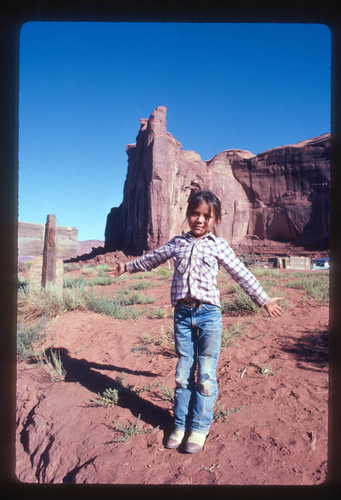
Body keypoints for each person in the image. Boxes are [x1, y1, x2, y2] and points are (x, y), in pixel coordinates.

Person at [107, 190, 283, 453]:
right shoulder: (177, 243)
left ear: (215, 219)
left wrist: (264, 299)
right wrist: (127, 266)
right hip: (182, 315)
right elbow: (152, 258)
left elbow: (241, 274)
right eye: (195, 214)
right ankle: (179, 425)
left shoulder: (219, 246)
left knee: (206, 375)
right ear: (188, 215)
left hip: (209, 315)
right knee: (181, 374)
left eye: (206, 216)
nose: (199, 220)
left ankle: (199, 428)